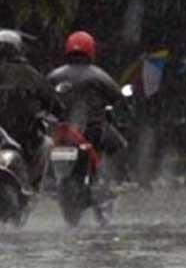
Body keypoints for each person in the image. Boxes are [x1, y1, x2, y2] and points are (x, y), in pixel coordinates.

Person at [47, 31, 127, 159]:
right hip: (91, 130)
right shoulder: (99, 76)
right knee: (121, 147)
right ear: (91, 51)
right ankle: (112, 171)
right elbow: (118, 98)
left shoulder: (54, 76)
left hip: (60, 130)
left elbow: (44, 98)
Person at [0, 29, 59, 189]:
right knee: (47, 144)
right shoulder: (32, 75)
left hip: (9, 138)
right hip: (25, 139)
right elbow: (54, 103)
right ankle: (33, 187)